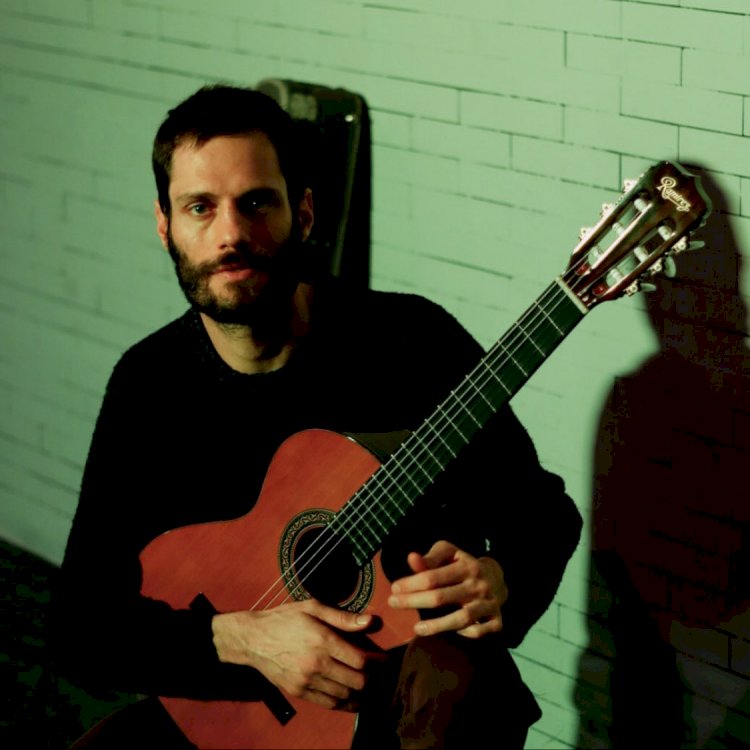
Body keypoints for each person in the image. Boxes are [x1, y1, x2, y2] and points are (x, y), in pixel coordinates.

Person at [53, 84, 582, 749]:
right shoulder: (150, 385)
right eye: (200, 208)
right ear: (165, 226)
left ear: (303, 212)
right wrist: (240, 640)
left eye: (256, 202)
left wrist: (502, 578)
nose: (230, 235)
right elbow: (80, 624)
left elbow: (540, 512)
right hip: (235, 689)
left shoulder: (411, 340)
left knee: (453, 694)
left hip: (402, 689)